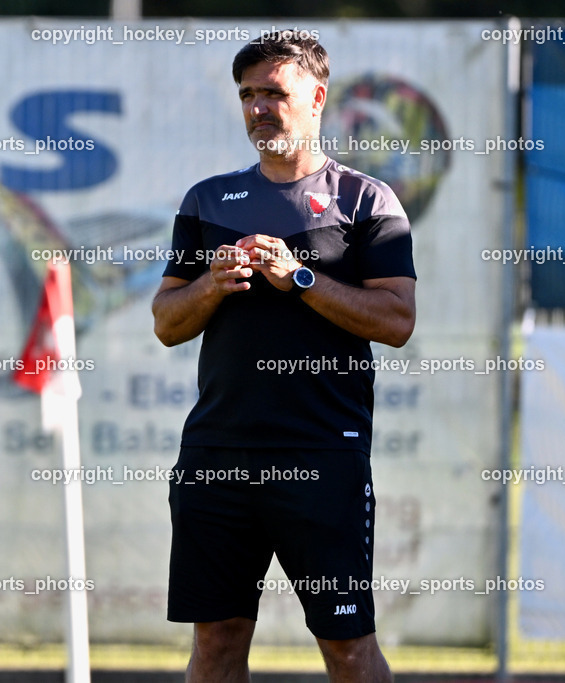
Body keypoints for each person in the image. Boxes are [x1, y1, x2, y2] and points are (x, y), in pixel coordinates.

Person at [151, 30, 416, 683]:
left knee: (347, 647)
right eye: (247, 95)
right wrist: (211, 284)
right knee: (214, 641)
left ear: (318, 96)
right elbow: (165, 322)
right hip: (217, 455)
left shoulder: (366, 202)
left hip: (323, 455)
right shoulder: (207, 202)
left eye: (275, 92)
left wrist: (299, 277)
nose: (258, 108)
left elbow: (397, 319)